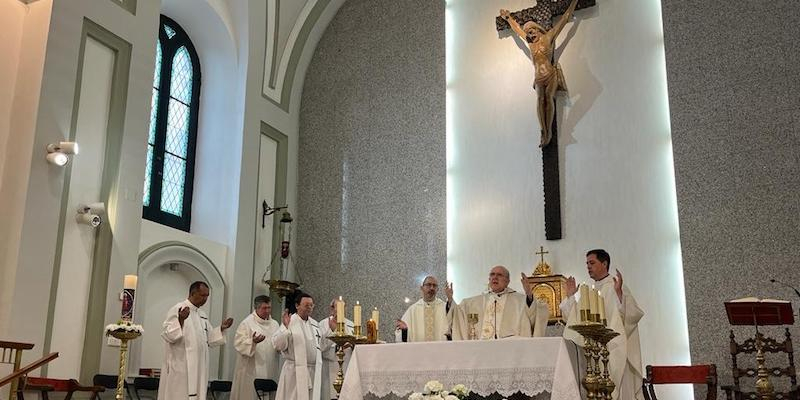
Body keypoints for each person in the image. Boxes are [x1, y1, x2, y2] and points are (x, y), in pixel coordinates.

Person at [560, 249, 644, 400]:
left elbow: (631, 315)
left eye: (592, 263)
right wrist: (571, 295)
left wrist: (619, 295)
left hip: (615, 349)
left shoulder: (616, 285)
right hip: (593, 352)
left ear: (604, 263)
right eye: (587, 263)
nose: (588, 266)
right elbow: (573, 319)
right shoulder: (590, 291)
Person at [500, 0, 579, 147]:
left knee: (548, 99)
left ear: (537, 29)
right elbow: (518, 30)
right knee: (539, 101)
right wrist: (508, 18)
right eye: (528, 33)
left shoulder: (548, 37)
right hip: (538, 78)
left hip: (550, 75)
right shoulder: (531, 43)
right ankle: (543, 130)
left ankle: (548, 131)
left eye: (532, 31)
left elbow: (564, 19)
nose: (530, 34)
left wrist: (574, 2)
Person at [157, 281, 233, 400]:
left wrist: (222, 328)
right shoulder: (178, 309)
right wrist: (181, 320)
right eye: (203, 295)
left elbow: (209, 338)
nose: (205, 299)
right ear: (193, 293)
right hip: (182, 365)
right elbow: (169, 335)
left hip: (199, 366)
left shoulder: (201, 314)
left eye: (207, 296)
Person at [448, 266, 549, 340]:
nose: (495, 277)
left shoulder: (520, 301)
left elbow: (537, 312)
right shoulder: (471, 303)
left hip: (510, 351)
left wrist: (529, 295)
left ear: (507, 281)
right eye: (492, 274)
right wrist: (450, 301)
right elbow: (456, 314)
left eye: (499, 275)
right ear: (489, 279)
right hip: (480, 350)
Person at [272, 292, 323, 400]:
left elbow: (321, 345)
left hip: (313, 371)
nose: (309, 308)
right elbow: (278, 345)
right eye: (306, 305)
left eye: (311, 305)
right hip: (294, 372)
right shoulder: (290, 322)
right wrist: (285, 329)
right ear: (297, 305)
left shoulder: (315, 324)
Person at [230, 295, 280, 400]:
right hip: (250, 370)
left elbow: (278, 343)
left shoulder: (275, 324)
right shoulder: (247, 323)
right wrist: (252, 342)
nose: (267, 311)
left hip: (270, 368)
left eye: (269, 308)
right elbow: (238, 343)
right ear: (256, 308)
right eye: (264, 308)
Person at [318, 298, 354, 400]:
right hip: (330, 366)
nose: (340, 310)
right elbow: (321, 347)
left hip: (347, 365)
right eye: (338, 307)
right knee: (329, 395)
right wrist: (332, 331)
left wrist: (352, 344)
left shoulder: (351, 325)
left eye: (343, 307)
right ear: (332, 308)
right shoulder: (323, 324)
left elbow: (356, 343)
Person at [395, 275, 449, 342]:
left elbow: (453, 328)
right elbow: (402, 332)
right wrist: (404, 330)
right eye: (428, 285)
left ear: (437, 289)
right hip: (419, 351)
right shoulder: (413, 310)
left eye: (434, 285)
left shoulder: (445, 308)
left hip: (440, 350)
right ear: (422, 288)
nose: (432, 288)